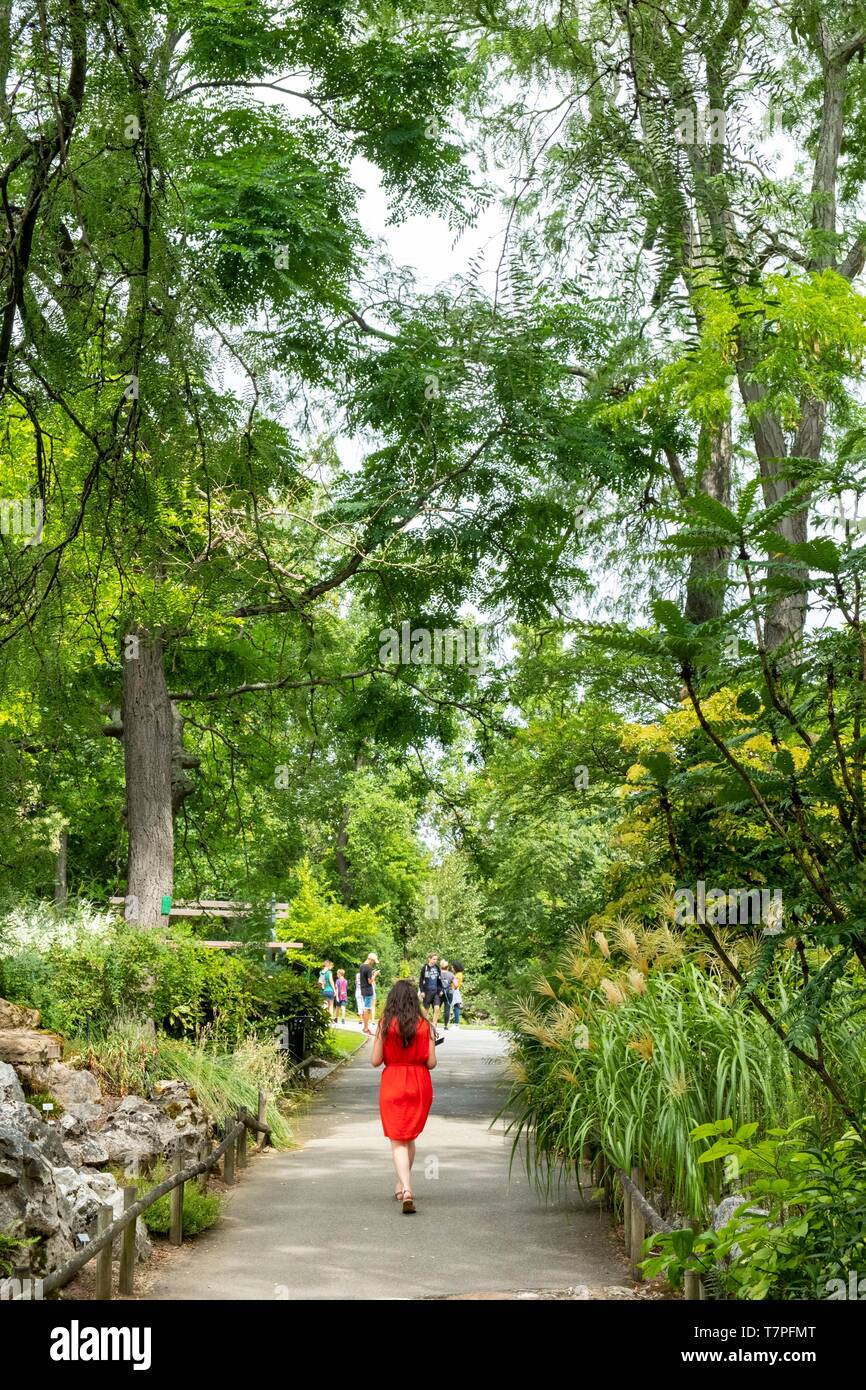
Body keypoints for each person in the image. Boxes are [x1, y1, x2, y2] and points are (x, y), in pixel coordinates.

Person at [372, 978, 437, 1214]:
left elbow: (375, 1061)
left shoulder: (384, 1024)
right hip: (419, 1083)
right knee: (408, 1137)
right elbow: (431, 1063)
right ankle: (401, 1184)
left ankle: (406, 1188)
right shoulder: (425, 1026)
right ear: (414, 1000)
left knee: (397, 1139)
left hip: (393, 1083)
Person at [418, 953, 444, 1030]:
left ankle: (434, 1024)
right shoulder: (424, 968)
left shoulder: (437, 968)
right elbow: (421, 981)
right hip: (427, 992)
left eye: (436, 959)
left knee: (437, 1008)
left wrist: (440, 990)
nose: (435, 961)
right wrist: (422, 991)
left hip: (435, 992)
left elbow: (439, 981)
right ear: (429, 959)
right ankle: (423, 1023)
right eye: (434, 959)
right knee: (425, 1010)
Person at [359, 953, 379, 1035]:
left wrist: (371, 973)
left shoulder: (362, 966)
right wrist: (375, 974)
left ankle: (365, 1027)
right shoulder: (369, 968)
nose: (373, 963)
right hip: (368, 990)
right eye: (373, 961)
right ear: (370, 959)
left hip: (363, 990)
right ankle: (366, 1028)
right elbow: (370, 981)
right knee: (367, 1009)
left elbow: (364, 976)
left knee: (365, 1008)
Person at [439, 959, 455, 1029]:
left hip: (439, 992)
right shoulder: (451, 974)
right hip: (449, 992)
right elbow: (456, 984)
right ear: (447, 967)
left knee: (437, 1007)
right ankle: (445, 1025)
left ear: (440, 966)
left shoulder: (438, 973)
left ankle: (434, 1023)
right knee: (447, 1009)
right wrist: (451, 987)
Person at [451, 960, 464, 1027]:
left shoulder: (458, 975)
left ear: (456, 967)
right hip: (455, 991)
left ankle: (456, 1024)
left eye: (452, 967)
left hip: (455, 991)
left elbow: (456, 985)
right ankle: (456, 1023)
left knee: (456, 1006)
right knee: (455, 1007)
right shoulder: (458, 974)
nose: (452, 969)